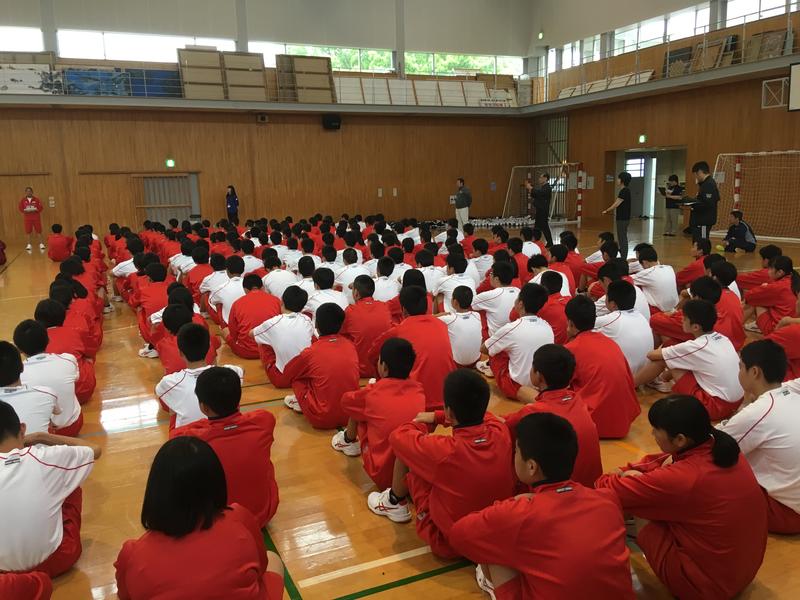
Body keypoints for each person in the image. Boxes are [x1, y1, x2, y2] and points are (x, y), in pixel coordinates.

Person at [595, 395, 767, 600]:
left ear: (680, 439)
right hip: (740, 573)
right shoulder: (723, 449)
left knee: (633, 489)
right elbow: (664, 460)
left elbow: (606, 488)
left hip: (704, 588)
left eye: (656, 429)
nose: (652, 433)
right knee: (650, 476)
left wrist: (621, 474)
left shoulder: (685, 477)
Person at [449, 412, 634, 599]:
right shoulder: (607, 499)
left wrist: (511, 503)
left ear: (532, 467)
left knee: (494, 540)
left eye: (516, 451)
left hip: (519, 519)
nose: (513, 456)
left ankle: (491, 587)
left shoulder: (520, 512)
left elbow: (458, 536)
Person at [368, 369, 515, 559]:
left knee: (409, 452)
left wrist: (423, 423)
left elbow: (397, 437)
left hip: (448, 542)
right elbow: (487, 416)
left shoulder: (444, 450)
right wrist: (439, 416)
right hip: (494, 534)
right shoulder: (500, 431)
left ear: (449, 411)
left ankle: (394, 501)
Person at [114, 437, 284, 600]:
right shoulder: (239, 517)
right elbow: (262, 564)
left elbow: (125, 595)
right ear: (217, 481)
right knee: (273, 559)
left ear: (156, 490)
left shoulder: (132, 554)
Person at [0, 400, 100, 577]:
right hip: (56, 561)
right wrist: (41, 437)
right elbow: (94, 449)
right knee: (70, 480)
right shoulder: (45, 457)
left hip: (3, 573)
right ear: (22, 429)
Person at [171, 367, 279, 528]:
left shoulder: (189, 439)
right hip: (263, 515)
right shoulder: (264, 421)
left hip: (219, 524)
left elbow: (175, 436)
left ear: (204, 407)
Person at [719, 340, 800, 534]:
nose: (738, 372)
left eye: (740, 367)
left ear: (754, 372)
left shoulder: (759, 411)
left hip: (785, 514)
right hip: (792, 504)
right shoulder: (792, 393)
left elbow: (710, 447)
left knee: (709, 470)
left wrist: (744, 407)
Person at [504, 345, 602, 488]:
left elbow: (502, 427)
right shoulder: (578, 401)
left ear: (538, 376)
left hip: (558, 491)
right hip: (590, 486)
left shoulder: (533, 412)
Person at [334, 338, 427, 489]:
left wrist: (369, 388)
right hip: (412, 475)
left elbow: (346, 402)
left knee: (358, 408)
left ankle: (348, 440)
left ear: (384, 367)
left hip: (382, 473)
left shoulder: (373, 392)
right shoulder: (419, 389)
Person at [635, 299, 744, 420]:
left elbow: (651, 355)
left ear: (696, 327)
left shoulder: (697, 346)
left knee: (666, 359)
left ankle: (630, 385)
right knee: (675, 355)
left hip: (714, 407)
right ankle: (659, 380)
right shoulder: (723, 338)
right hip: (736, 402)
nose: (682, 320)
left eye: (685, 318)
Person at [368, 286, 456, 410]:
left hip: (418, 401)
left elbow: (372, 355)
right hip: (448, 399)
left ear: (403, 310)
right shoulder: (442, 325)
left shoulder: (398, 330)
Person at [565, 296, 640, 438]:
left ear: (570, 323)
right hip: (623, 423)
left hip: (591, 424)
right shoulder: (610, 343)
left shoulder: (571, 349)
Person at [282, 303, 360, 428]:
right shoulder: (351, 346)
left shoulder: (311, 352)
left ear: (316, 325)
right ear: (341, 325)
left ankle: (301, 401)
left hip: (321, 418)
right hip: (350, 415)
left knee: (298, 377)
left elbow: (287, 374)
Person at [156, 323, 243, 430]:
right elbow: (241, 369)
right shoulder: (228, 373)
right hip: (224, 431)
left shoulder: (169, 382)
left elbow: (158, 391)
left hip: (189, 436)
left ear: (180, 353)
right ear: (208, 348)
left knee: (173, 408)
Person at [479, 283, 554, 400]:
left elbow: (484, 349)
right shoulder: (548, 326)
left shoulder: (511, 328)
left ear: (520, 303)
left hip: (516, 386)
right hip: (540, 383)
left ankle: (488, 367)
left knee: (497, 350)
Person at [14, 320, 83, 437]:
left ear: (19, 349)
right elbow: (76, 378)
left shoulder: (18, 374)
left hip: (42, 435)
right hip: (73, 426)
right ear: (48, 340)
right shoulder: (68, 359)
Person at [251, 286, 314, 388]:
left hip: (282, 379)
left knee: (263, 341)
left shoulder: (272, 322)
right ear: (302, 307)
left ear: (282, 301)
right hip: (305, 376)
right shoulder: (307, 320)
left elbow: (251, 334)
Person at [593, 280, 653, 376]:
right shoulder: (641, 316)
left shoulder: (612, 319)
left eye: (606, 296)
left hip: (624, 376)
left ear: (613, 304)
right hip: (643, 374)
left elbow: (581, 324)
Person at [339, 275, 393, 378]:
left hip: (360, 371)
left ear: (356, 293)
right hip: (384, 369)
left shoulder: (350, 311)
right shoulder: (384, 307)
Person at [223, 274, 281, 359]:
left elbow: (233, 332)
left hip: (247, 351)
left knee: (225, 330)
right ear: (262, 287)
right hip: (273, 351)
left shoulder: (237, 303)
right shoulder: (276, 300)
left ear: (245, 289)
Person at [743, 255, 799, 335]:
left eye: (770, 269)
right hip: (794, 327)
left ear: (780, 272)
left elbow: (749, 296)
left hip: (778, 329)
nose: (768, 271)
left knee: (756, 300)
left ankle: (734, 327)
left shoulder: (779, 286)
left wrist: (763, 287)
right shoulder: (794, 279)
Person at [470, 261, 519, 338]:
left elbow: (469, 303)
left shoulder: (491, 295)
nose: (490, 276)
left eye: (491, 274)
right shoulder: (519, 291)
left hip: (496, 339)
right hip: (515, 336)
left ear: (496, 279)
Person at [438, 286, 482, 367]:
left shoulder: (449, 319)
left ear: (455, 302)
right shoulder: (477, 315)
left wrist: (440, 314)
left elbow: (429, 319)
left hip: (457, 364)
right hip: (476, 360)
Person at [630, 244, 679, 313]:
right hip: (673, 307)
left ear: (644, 262)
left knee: (634, 286)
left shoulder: (648, 272)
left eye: (642, 265)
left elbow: (627, 279)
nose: (643, 267)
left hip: (657, 311)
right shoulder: (669, 268)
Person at [208, 255, 246, 326]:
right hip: (248, 322)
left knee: (217, 302)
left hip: (230, 325)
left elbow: (211, 301)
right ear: (243, 269)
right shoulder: (249, 285)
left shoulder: (220, 288)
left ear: (227, 270)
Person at [601, 172, 632, 259]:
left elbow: (617, 203)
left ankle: (623, 257)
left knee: (622, 238)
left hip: (623, 218)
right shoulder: (625, 190)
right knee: (621, 237)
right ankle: (622, 255)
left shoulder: (624, 191)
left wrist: (607, 210)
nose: (617, 180)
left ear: (622, 180)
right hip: (623, 218)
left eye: (619, 178)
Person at [528, 174, 553, 247]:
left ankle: (549, 242)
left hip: (543, 210)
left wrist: (531, 188)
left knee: (544, 227)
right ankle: (535, 241)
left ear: (545, 178)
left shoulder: (547, 187)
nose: (539, 179)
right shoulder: (543, 187)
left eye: (541, 177)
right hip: (540, 210)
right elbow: (537, 195)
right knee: (538, 227)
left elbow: (540, 193)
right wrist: (531, 190)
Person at [19, 186, 45, 251]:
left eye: (30, 191)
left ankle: (41, 244)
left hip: (36, 217)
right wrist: (25, 210)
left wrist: (36, 209)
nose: (29, 192)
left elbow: (41, 207)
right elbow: (20, 208)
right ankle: (29, 244)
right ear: (25, 192)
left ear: (32, 192)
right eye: (27, 191)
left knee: (39, 230)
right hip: (27, 218)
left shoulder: (36, 199)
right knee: (28, 231)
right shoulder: (23, 200)